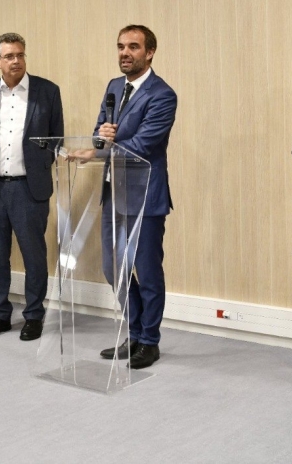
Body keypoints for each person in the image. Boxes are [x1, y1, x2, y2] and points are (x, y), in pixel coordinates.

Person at [74, 25, 177, 369]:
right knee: (113, 269)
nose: (124, 53)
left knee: (146, 272)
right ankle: (133, 334)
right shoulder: (114, 87)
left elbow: (145, 146)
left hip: (145, 196)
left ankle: (150, 340)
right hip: (112, 194)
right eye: (120, 46)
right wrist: (100, 139)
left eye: (133, 47)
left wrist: (102, 149)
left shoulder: (162, 95)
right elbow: (99, 132)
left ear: (150, 53)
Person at [0, 32, 64, 341]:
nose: (16, 61)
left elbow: (56, 139)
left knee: (34, 255)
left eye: (20, 55)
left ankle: (34, 316)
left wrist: (38, 168)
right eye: (9, 56)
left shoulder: (47, 91)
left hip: (29, 189)